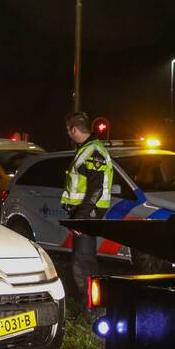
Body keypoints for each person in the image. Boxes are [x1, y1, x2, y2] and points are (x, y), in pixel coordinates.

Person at [61, 111, 113, 309]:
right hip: (86, 212)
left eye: (68, 130)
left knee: (82, 261)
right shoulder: (88, 149)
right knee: (83, 259)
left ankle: (92, 306)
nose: (68, 134)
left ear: (74, 129)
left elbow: (96, 188)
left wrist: (82, 217)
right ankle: (93, 303)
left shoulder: (93, 151)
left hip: (89, 213)